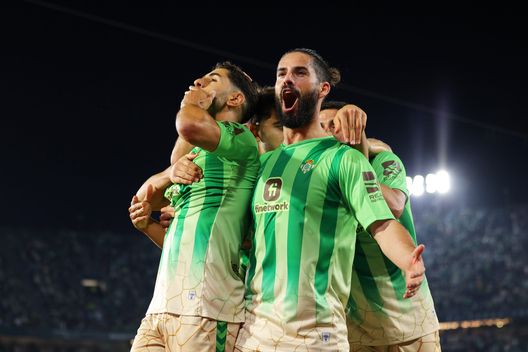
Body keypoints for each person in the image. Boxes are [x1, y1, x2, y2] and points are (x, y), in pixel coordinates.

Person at [235, 48, 426, 352]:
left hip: (315, 336)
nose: (287, 79)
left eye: (299, 73)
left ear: (323, 89)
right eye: (281, 73)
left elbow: (382, 223)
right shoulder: (263, 165)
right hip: (255, 334)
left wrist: (408, 260)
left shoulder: (345, 160)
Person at [128, 61, 259, 352]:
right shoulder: (197, 157)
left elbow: (188, 124)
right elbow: (143, 199)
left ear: (236, 99)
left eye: (212, 80)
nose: (199, 82)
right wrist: (166, 178)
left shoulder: (241, 141)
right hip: (160, 308)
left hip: (208, 309)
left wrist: (191, 103)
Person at [320, 102, 441, 351]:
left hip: (411, 319)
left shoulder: (384, 161)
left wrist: (356, 169)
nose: (329, 133)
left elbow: (396, 205)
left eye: (335, 125)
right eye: (321, 128)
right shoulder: (319, 180)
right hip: (358, 327)